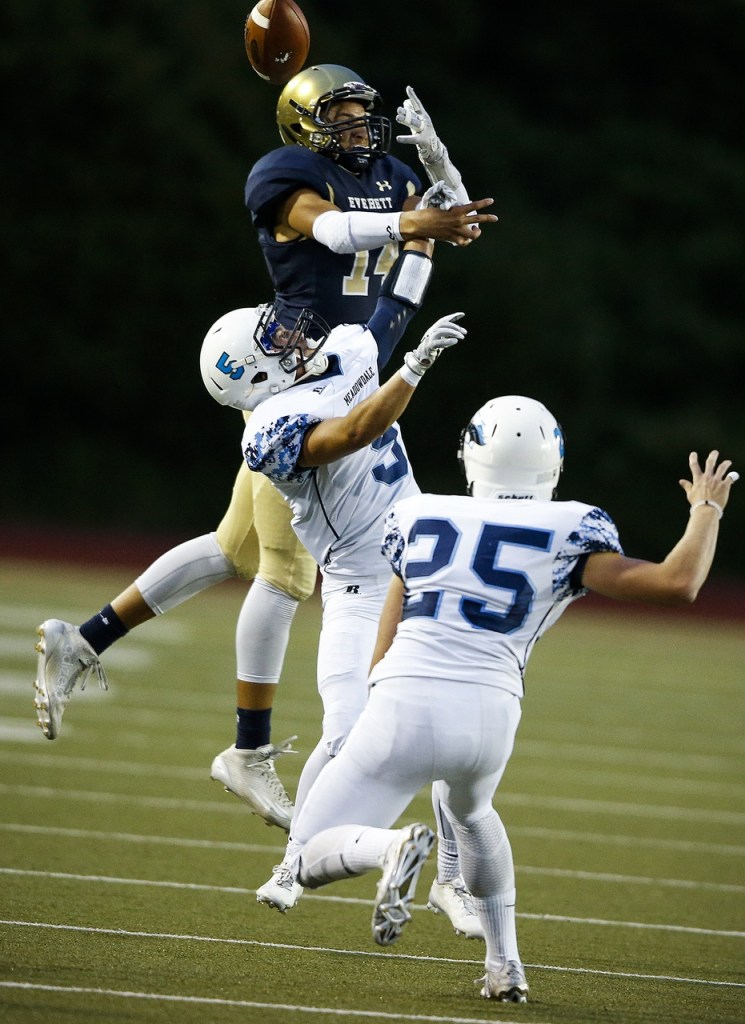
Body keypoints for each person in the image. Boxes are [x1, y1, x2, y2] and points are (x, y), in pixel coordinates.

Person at [32, 63, 497, 841]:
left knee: (229, 550)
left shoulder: (385, 176)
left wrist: (441, 184)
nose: (358, 127)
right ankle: (247, 752)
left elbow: (410, 272)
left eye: (361, 114)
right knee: (282, 572)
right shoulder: (286, 175)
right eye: (341, 116)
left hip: (342, 358)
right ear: (304, 127)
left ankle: (81, 639)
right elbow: (332, 230)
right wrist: (415, 233)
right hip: (291, 383)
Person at [262, 395, 737, 1004]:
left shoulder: (418, 515)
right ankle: (504, 965)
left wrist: (377, 702)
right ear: (554, 461)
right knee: (474, 813)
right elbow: (679, 583)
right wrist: (706, 510)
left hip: (403, 699)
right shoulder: (573, 525)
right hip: (491, 716)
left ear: (470, 453)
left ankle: (393, 848)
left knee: (302, 854)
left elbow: (391, 626)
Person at [199, 229, 474, 918]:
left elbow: (395, 306)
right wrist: (409, 373)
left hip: (421, 566)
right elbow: (345, 435)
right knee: (349, 731)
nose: (289, 333)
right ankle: (296, 862)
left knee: (461, 725)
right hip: (359, 587)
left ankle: (451, 877)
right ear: (254, 378)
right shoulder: (269, 429)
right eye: (272, 342)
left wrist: (424, 230)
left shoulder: (341, 351)